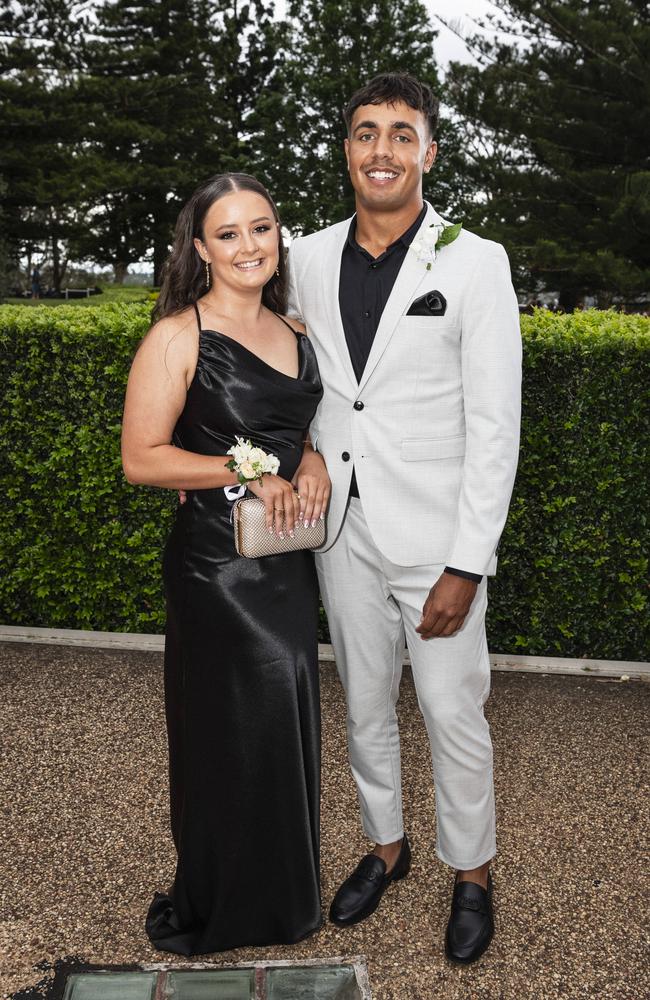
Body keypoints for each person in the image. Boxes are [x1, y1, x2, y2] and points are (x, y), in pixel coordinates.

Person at [287, 73, 522, 964]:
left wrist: (470, 561)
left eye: (399, 133)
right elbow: (299, 377)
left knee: (452, 710)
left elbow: (495, 426)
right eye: (363, 133)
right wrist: (302, 450)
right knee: (363, 706)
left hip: (438, 542)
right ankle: (386, 848)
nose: (380, 149)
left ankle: (472, 872)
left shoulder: (475, 260)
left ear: (428, 149)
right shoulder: (305, 255)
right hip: (339, 530)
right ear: (345, 150)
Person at [121, 173, 330, 955]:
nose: (250, 246)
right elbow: (142, 460)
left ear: (280, 237)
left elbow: (297, 429)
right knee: (228, 731)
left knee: (286, 719)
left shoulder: (298, 331)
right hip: (217, 570)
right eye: (230, 233)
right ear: (201, 248)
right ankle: (224, 898)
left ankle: (281, 898)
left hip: (282, 563)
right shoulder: (180, 334)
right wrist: (244, 472)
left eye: (263, 228)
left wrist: (310, 463)